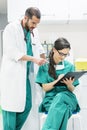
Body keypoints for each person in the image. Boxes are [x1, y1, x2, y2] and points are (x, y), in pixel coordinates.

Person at [0, 7, 46, 130]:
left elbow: (40, 48)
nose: (35, 26)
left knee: (27, 105)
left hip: (25, 76)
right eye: (33, 23)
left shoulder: (35, 31)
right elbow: (12, 52)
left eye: (37, 23)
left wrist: (44, 60)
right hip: (12, 77)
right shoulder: (11, 29)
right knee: (10, 109)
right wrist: (34, 59)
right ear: (25, 18)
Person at [36, 37, 80, 130]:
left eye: (66, 54)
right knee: (63, 109)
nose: (63, 57)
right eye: (61, 54)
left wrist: (69, 84)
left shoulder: (70, 66)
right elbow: (45, 88)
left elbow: (72, 89)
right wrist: (57, 81)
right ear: (54, 50)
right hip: (50, 101)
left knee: (60, 96)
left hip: (68, 98)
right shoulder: (44, 66)